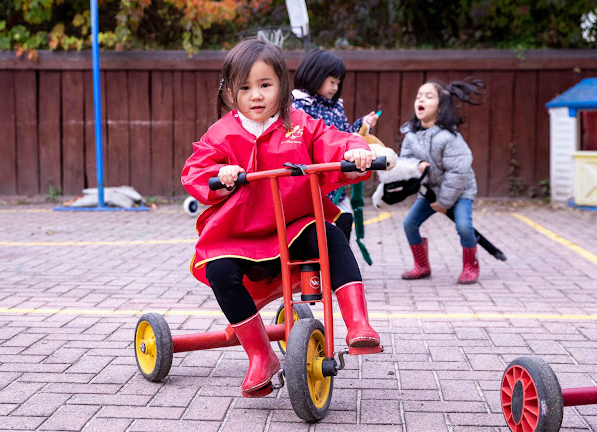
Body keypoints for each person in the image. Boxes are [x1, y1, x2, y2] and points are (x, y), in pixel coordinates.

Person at [181, 39, 381, 398]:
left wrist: (356, 151)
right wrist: (222, 174)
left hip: (294, 224)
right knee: (219, 270)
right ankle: (260, 355)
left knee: (329, 235)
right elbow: (196, 169)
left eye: (264, 85)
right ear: (229, 94)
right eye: (244, 88)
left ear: (282, 87)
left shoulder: (300, 124)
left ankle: (358, 324)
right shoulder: (222, 133)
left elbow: (332, 141)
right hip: (240, 233)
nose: (255, 96)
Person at [399, 77, 485, 284]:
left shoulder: (449, 137)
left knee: (464, 227)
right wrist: (415, 165)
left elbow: (459, 172)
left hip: (460, 190)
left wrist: (444, 203)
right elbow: (405, 160)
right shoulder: (411, 134)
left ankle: (470, 265)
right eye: (419, 96)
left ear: (440, 107)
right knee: (410, 224)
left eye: (429, 96)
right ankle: (421, 265)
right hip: (431, 191)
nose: (421, 99)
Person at [292, 49, 380, 241]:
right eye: (332, 81)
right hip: (310, 183)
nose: (335, 87)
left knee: (344, 222)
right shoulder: (298, 105)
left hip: (336, 185)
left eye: (338, 83)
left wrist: (363, 124)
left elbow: (345, 134)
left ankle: (338, 266)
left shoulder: (335, 106)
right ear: (315, 76)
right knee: (313, 232)